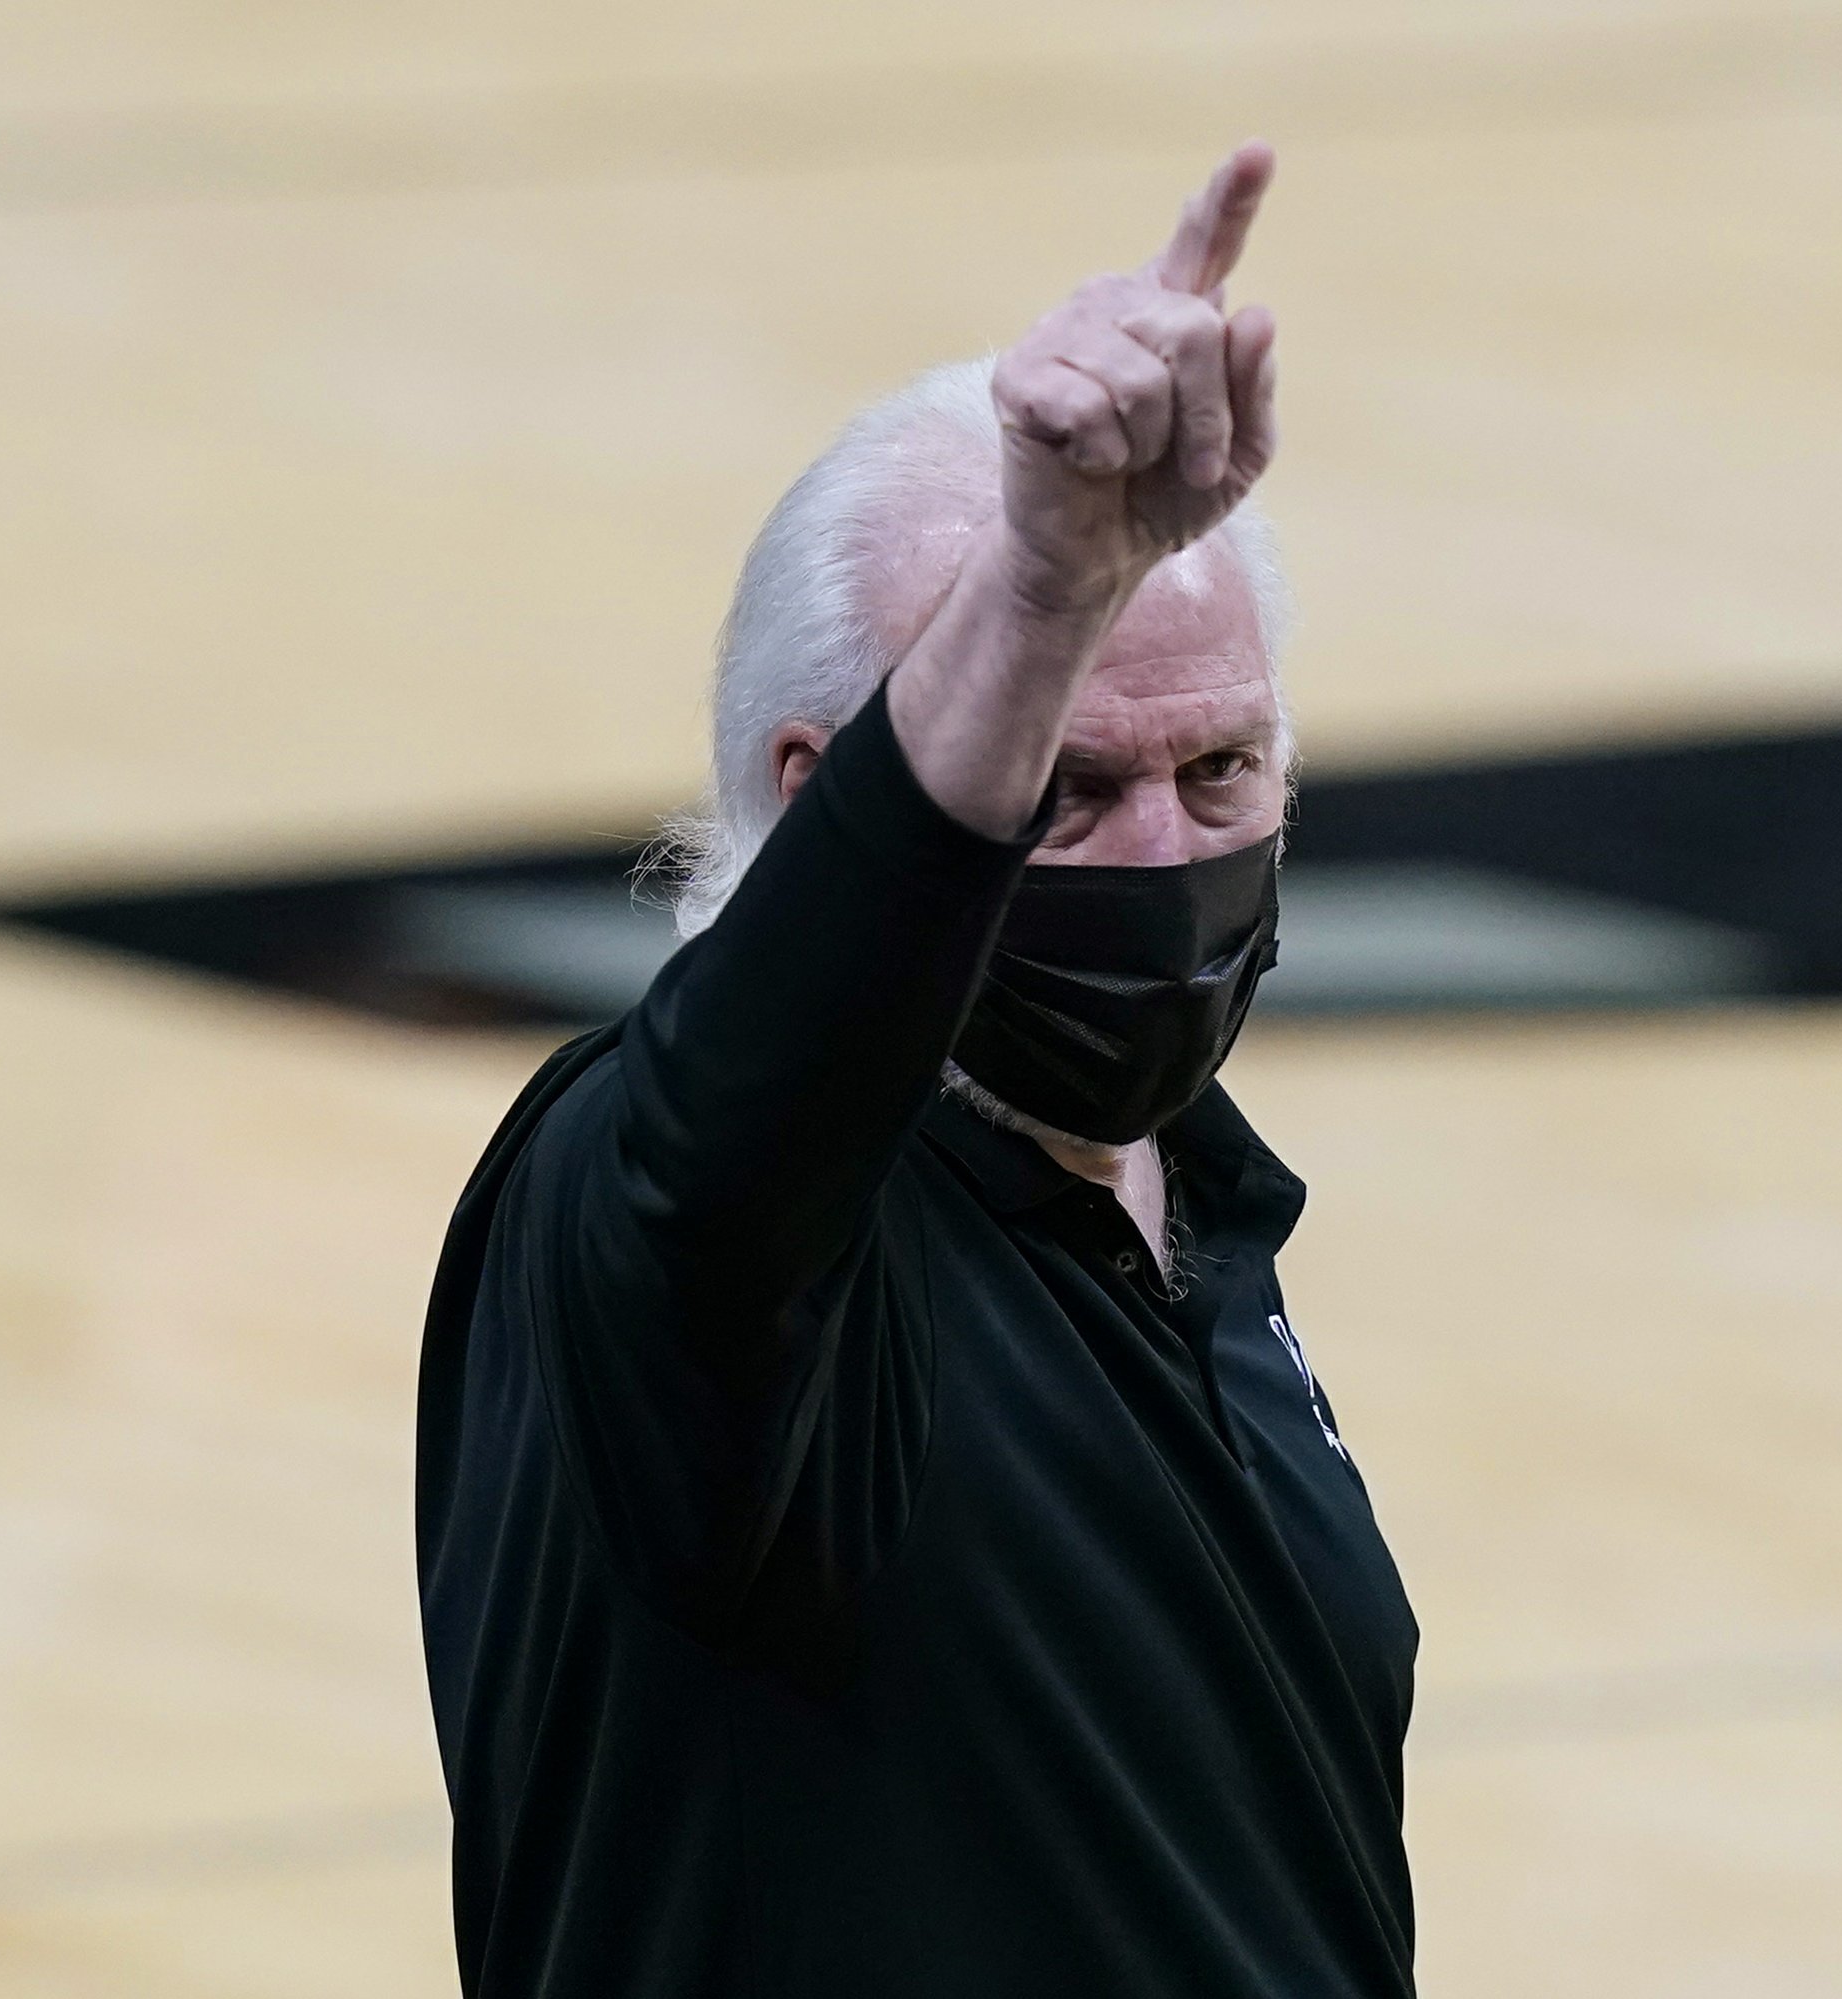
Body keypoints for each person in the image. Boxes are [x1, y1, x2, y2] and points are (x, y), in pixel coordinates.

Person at [415, 143, 1419, 1998]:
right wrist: (1043, 586)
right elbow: (759, 1096)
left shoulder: (1194, 1212)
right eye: (1071, 790)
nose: (1163, 859)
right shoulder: (679, 1230)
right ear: (824, 797)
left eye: (1222, 775)